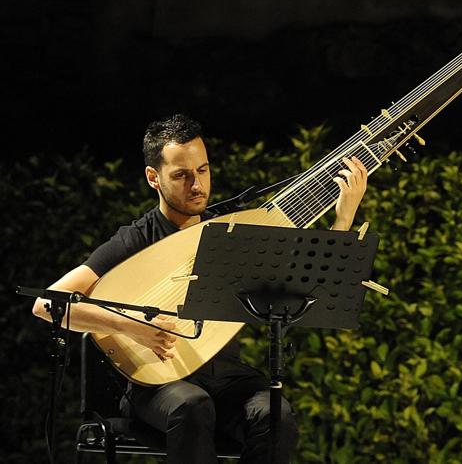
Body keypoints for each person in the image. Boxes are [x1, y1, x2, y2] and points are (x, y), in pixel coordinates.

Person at [31, 114, 369, 463]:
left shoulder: (232, 231)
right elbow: (45, 304)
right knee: (192, 406)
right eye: (181, 175)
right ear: (154, 178)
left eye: (203, 171)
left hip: (227, 376)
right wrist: (131, 326)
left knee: (276, 416)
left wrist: (343, 219)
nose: (197, 185)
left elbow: (300, 293)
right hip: (158, 385)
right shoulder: (136, 239)